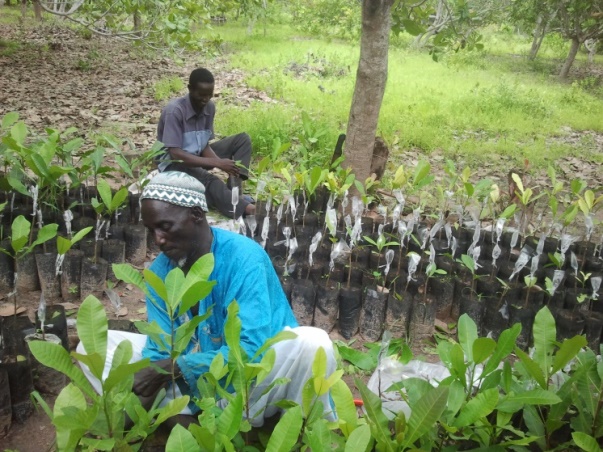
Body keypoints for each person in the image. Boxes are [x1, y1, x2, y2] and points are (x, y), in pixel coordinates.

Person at [77, 171, 336, 427]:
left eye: (165, 227)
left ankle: (294, 424)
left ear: (197, 215)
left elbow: (249, 348)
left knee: (314, 343)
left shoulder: (244, 258)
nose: (158, 240)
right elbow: (159, 349)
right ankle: (179, 417)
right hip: (196, 377)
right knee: (92, 347)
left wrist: (173, 367)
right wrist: (141, 401)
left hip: (254, 378)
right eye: (151, 230)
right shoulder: (160, 272)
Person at [156, 67, 255, 218]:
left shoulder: (209, 107)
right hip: (174, 164)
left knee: (242, 140)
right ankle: (243, 208)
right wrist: (218, 163)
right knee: (210, 180)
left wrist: (220, 163)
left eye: (209, 95)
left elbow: (204, 145)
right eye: (201, 94)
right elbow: (175, 154)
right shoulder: (175, 111)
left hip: (197, 156)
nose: (205, 99)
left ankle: (234, 192)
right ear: (190, 89)